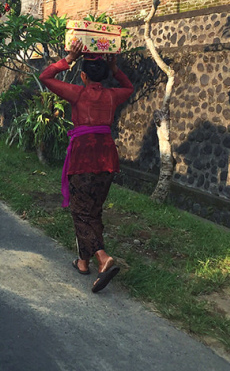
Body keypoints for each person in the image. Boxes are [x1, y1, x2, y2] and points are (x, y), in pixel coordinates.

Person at [39, 39, 134, 293]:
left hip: (84, 158)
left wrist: (68, 58)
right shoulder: (113, 95)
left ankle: (103, 258)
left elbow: (46, 76)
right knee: (93, 210)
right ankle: (83, 262)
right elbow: (128, 86)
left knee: (81, 212)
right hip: (107, 158)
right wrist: (115, 69)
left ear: (82, 75)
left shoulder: (77, 92)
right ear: (103, 76)